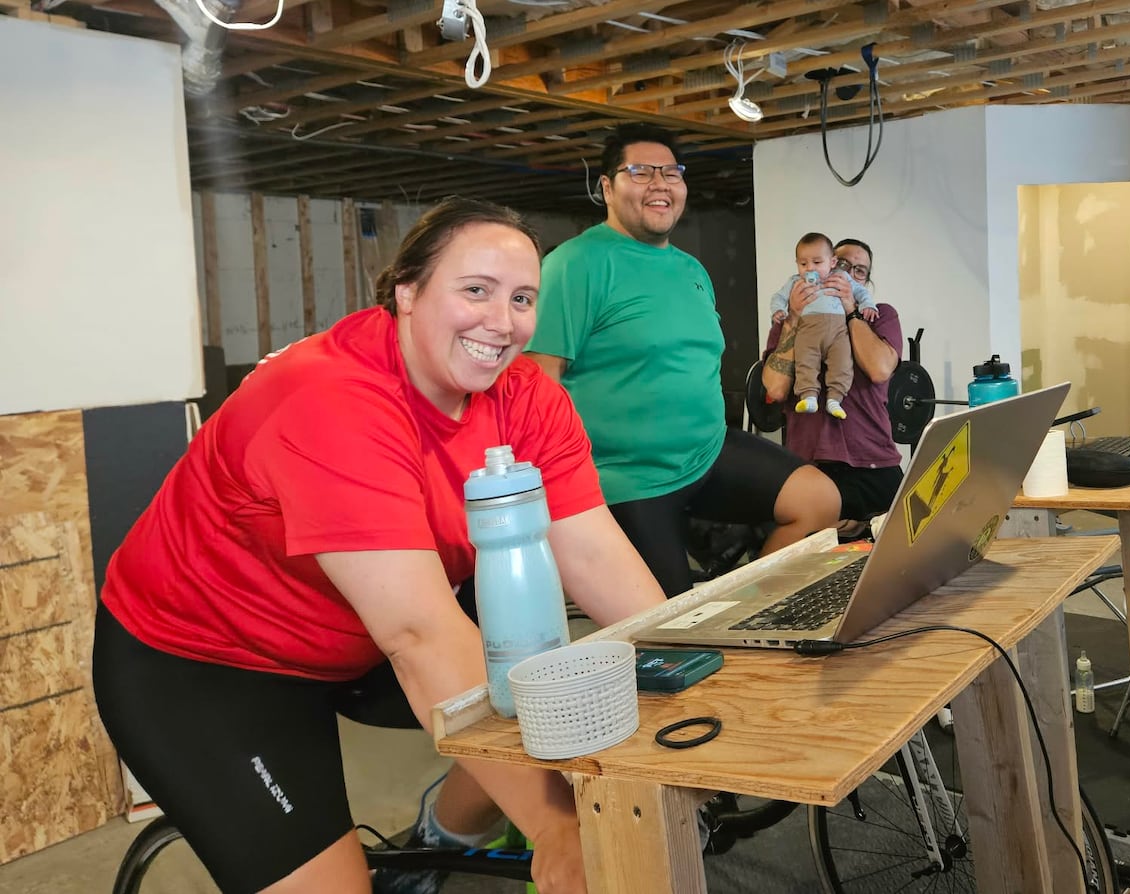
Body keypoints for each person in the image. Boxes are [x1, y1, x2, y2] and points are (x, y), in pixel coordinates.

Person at [92, 196, 667, 894]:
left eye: (522, 298)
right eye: (475, 290)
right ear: (407, 292)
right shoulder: (332, 400)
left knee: (564, 710)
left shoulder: (526, 396)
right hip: (212, 662)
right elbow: (420, 635)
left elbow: (593, 553)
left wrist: (694, 661)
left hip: (360, 631)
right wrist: (553, 828)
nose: (502, 321)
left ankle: (440, 839)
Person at [525, 123, 840, 598]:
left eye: (671, 172)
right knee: (668, 626)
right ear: (607, 187)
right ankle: (712, 622)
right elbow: (537, 383)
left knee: (819, 501)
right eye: (641, 171)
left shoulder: (690, 268)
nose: (660, 183)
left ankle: (740, 610)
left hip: (707, 452)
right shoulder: (576, 264)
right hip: (627, 476)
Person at [762, 237, 904, 530]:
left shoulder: (881, 315)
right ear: (826, 265)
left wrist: (851, 309)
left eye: (860, 270)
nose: (849, 274)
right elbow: (775, 389)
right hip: (810, 464)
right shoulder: (791, 317)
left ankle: (850, 525)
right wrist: (795, 319)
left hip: (873, 462)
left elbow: (879, 369)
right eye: (842, 264)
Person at [767, 232, 878, 419]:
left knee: (842, 362)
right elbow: (778, 297)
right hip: (807, 332)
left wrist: (866, 305)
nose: (810, 268)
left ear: (831, 262)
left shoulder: (841, 277)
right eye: (803, 264)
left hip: (838, 333)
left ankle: (835, 399)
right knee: (805, 362)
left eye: (817, 262)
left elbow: (861, 293)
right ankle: (809, 396)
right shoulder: (796, 283)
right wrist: (783, 311)